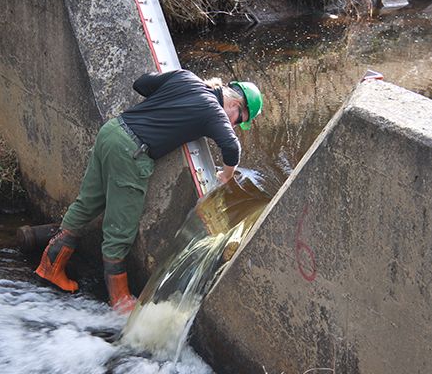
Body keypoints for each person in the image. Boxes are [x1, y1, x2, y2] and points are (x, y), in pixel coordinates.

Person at [35, 69, 263, 314]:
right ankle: (120, 299)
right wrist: (226, 176)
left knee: (87, 204)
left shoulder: (186, 77)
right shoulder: (214, 110)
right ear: (236, 105)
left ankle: (50, 266)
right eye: (239, 120)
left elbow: (142, 83)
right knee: (121, 227)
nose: (235, 125)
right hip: (132, 153)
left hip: (112, 132)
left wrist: (168, 105)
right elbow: (231, 147)